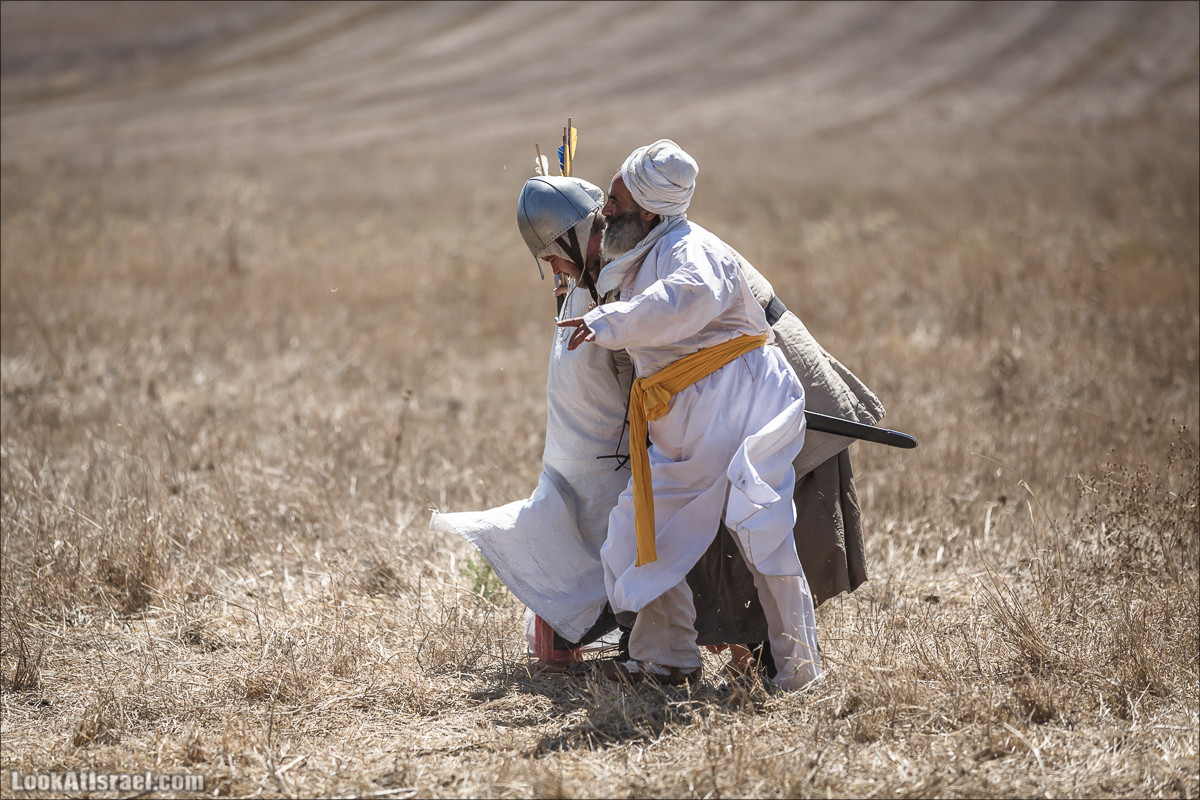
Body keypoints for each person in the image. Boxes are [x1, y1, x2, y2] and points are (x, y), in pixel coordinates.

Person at [557, 139, 826, 690]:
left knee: (761, 528)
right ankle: (667, 659)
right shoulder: (644, 246)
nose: (604, 209)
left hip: (741, 401)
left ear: (649, 211)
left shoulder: (691, 250)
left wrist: (611, 322)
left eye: (614, 198)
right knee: (635, 531)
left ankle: (801, 675)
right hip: (686, 415)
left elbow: (684, 300)